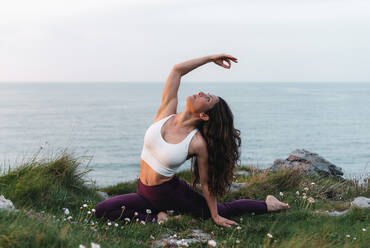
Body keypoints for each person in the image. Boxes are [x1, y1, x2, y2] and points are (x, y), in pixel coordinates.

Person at [94, 54, 290, 228]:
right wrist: (210, 59)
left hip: (170, 193)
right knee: (101, 210)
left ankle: (269, 205)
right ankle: (158, 217)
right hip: (143, 190)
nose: (201, 93)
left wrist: (215, 216)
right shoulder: (166, 112)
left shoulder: (196, 143)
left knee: (223, 210)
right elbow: (177, 71)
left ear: (204, 116)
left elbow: (206, 183)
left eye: (207, 98)